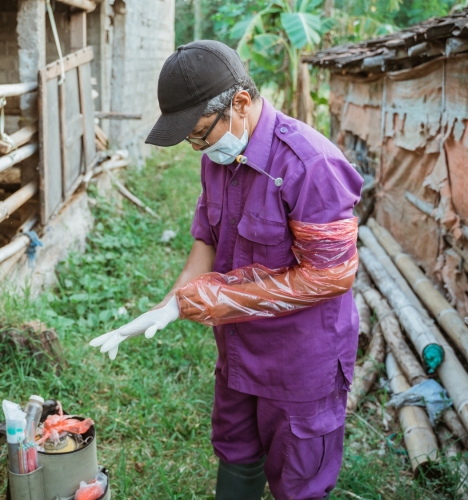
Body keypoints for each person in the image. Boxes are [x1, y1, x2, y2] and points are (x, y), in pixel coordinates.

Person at [89, 40, 363, 500]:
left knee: (297, 480)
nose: (196, 147)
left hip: (299, 360)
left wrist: (222, 298)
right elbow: (208, 240)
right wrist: (171, 303)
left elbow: (332, 275)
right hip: (238, 348)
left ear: (239, 104)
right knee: (236, 450)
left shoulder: (310, 164)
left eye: (199, 134)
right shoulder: (219, 159)